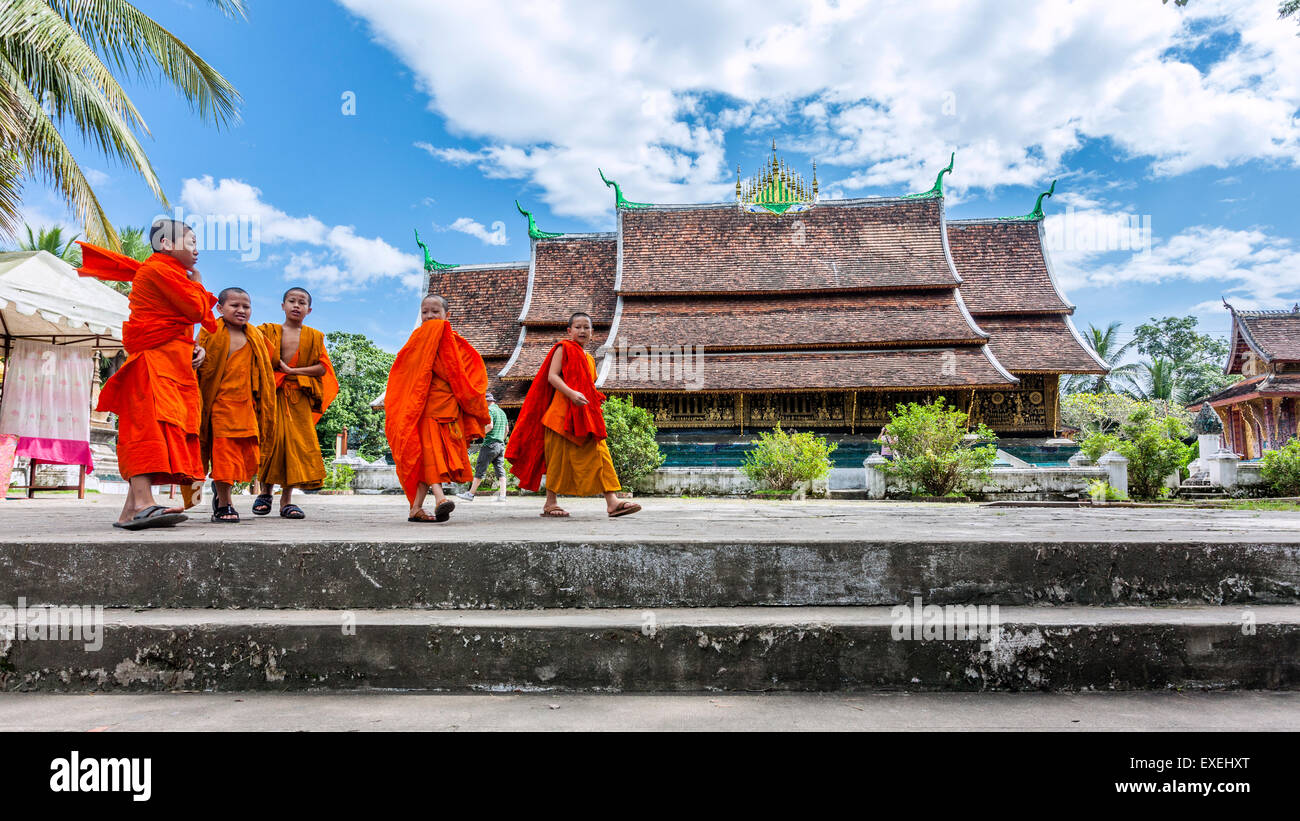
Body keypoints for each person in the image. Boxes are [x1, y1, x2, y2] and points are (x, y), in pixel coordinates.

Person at [76, 220, 217, 529]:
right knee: (146, 432)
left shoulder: (169, 274)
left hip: (173, 365)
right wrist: (199, 282)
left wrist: (195, 348)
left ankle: (130, 512)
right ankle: (144, 503)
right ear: (166, 244)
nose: (197, 249)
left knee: (161, 433)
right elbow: (196, 309)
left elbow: (180, 323)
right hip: (153, 365)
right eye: (191, 242)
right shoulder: (158, 270)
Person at [506, 311, 641, 518]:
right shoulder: (564, 348)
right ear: (569, 331)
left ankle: (612, 501)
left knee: (600, 455)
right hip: (560, 415)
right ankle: (550, 503)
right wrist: (571, 393)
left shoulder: (589, 359)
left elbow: (587, 387)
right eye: (578, 327)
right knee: (557, 460)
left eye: (586, 327)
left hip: (584, 416)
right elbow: (552, 377)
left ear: (592, 332)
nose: (582, 331)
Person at [384, 295, 490, 522]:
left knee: (429, 457)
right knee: (429, 454)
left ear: (446, 316)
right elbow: (405, 375)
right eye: (425, 312)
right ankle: (440, 498)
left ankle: (415, 509)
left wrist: (471, 402)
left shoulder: (456, 343)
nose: (429, 316)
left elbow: (467, 376)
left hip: (449, 410)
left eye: (435, 312)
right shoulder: (417, 341)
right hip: (425, 408)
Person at [253, 287, 338, 519]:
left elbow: (322, 368)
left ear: (309, 310)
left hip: (297, 395)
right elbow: (254, 355)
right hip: (272, 394)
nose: (296, 306)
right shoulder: (267, 331)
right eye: (292, 301)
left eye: (302, 302)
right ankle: (265, 492)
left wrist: (293, 370)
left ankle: (286, 500)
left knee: (295, 446)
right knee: (270, 440)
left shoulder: (314, 336)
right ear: (283, 305)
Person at [195, 287, 277, 523]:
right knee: (223, 455)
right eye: (235, 306)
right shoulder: (210, 333)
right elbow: (200, 365)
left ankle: (224, 496)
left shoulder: (256, 337)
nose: (241, 310)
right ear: (220, 308)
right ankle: (224, 503)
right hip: (220, 404)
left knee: (245, 454)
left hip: (247, 407)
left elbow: (264, 371)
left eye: (246, 306)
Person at [458, 391, 508, 502]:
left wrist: (479, 435)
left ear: (487, 402)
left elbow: (490, 426)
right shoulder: (502, 412)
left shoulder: (490, 410)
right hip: (500, 445)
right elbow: (507, 430)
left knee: (480, 469)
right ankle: (503, 496)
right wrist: (500, 440)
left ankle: (470, 494)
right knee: (500, 470)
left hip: (490, 444)